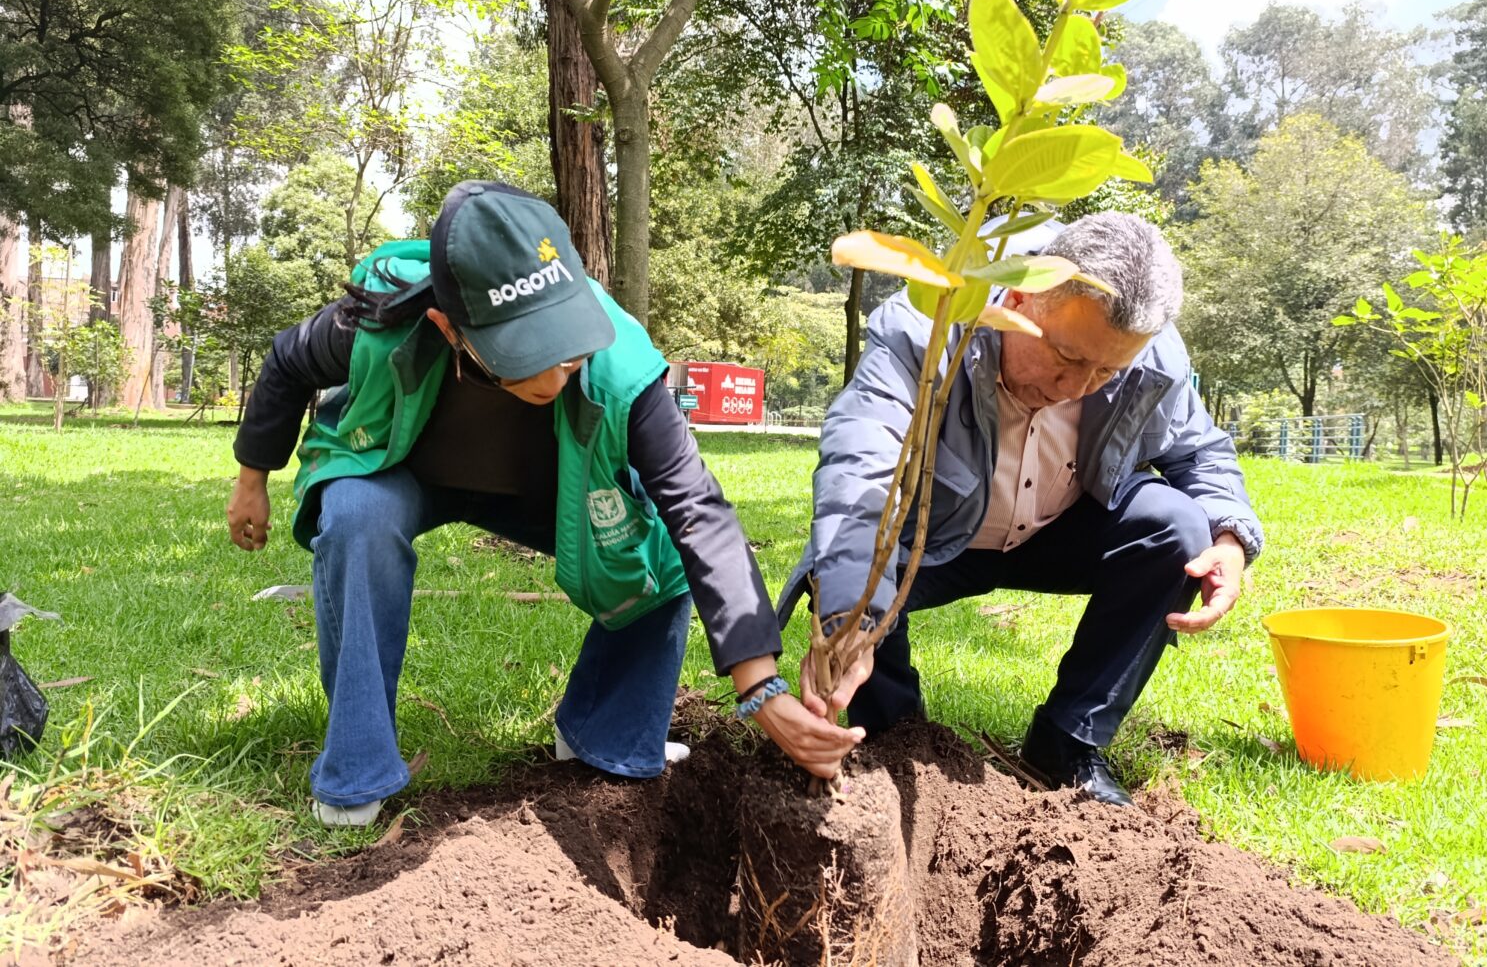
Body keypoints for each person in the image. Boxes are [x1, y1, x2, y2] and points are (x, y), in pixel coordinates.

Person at [227, 181, 862, 826]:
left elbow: (698, 513)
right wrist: (252, 479)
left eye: (566, 341)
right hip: (402, 471)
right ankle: (357, 769)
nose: (559, 373)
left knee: (661, 550)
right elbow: (285, 362)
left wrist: (762, 689)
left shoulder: (622, 368)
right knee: (355, 519)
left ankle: (602, 731)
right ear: (450, 327)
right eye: (528, 352)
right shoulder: (381, 320)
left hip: (554, 491)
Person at [778, 212, 1262, 806]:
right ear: (1020, 298)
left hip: (1058, 531)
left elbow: (1201, 450)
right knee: (857, 557)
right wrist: (850, 619)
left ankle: (1067, 740)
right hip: (933, 537)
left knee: (1180, 530)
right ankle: (896, 735)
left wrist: (1232, 538)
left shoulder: (1149, 355)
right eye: (1064, 355)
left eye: (1107, 371)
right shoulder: (931, 325)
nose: (1078, 386)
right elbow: (861, 468)